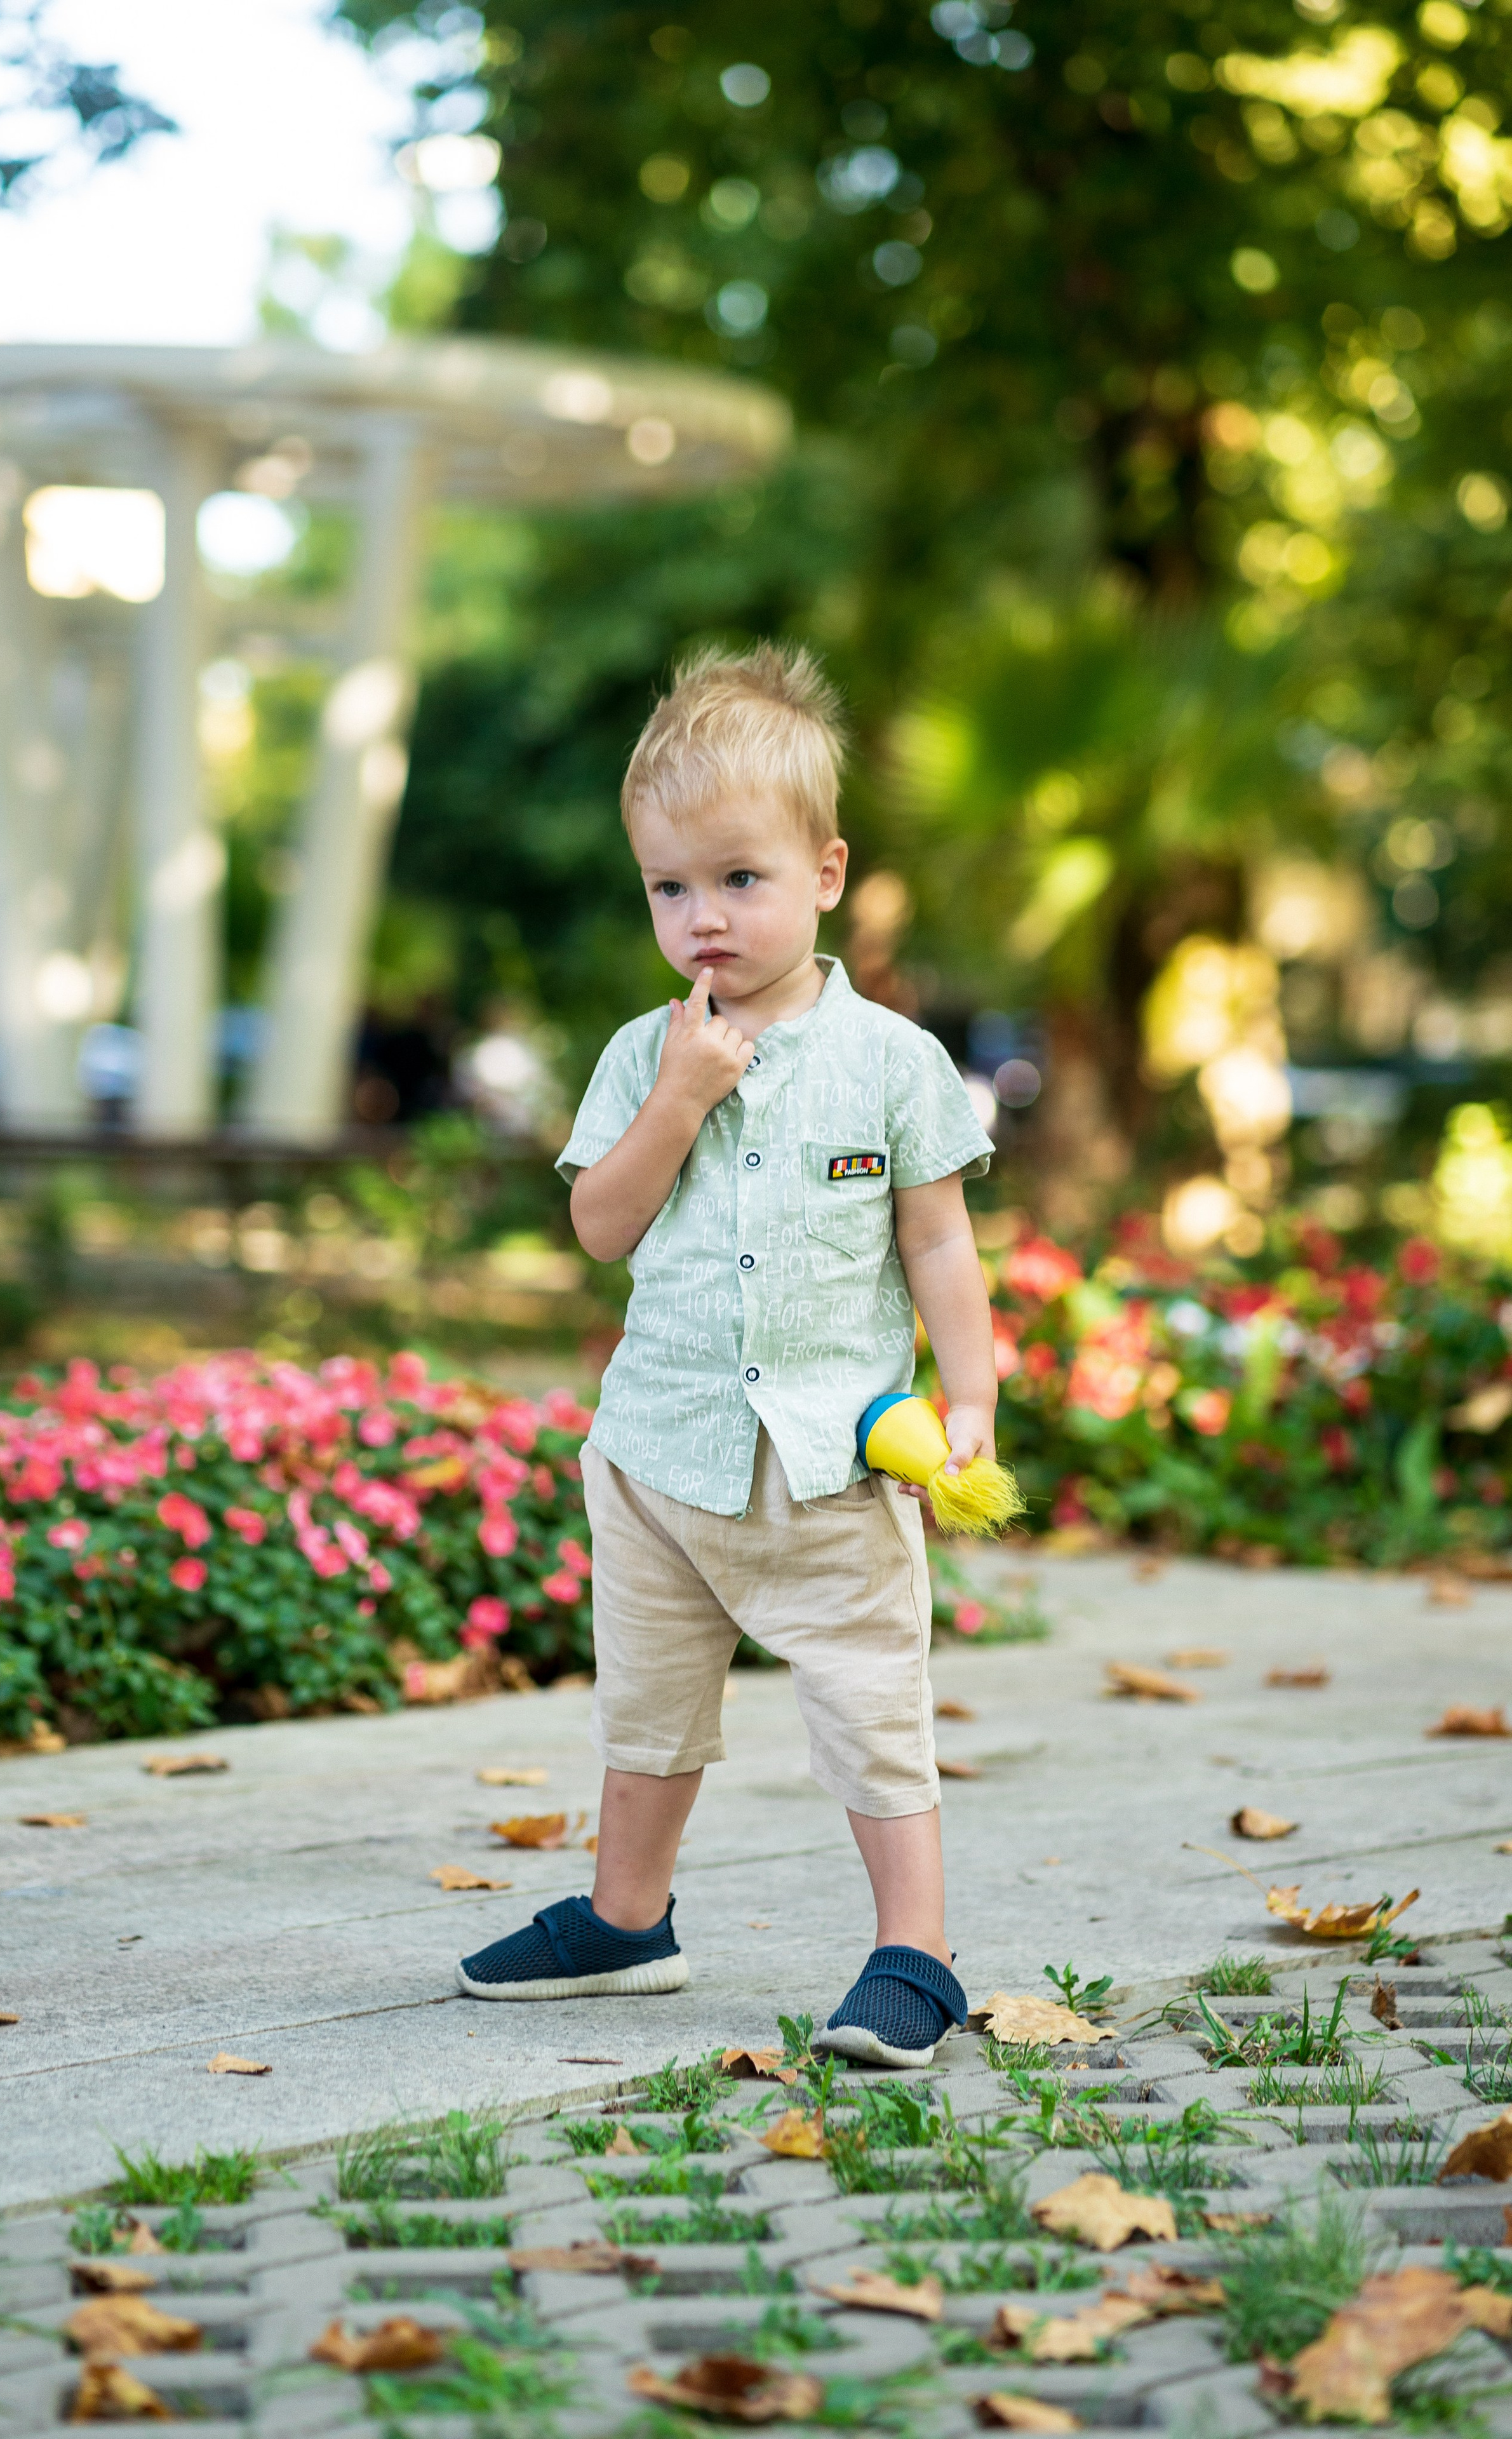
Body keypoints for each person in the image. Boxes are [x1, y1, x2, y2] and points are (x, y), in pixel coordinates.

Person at [456, 643, 998, 2066]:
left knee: (869, 1697)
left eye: (739, 879)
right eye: (668, 888)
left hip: (829, 1465)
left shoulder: (892, 1060)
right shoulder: (646, 1055)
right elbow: (600, 1225)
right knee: (645, 1703)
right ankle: (624, 1919)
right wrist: (680, 1101)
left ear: (825, 872)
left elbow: (938, 1243)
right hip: (658, 1453)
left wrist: (973, 1395)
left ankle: (917, 1954)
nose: (702, 918)